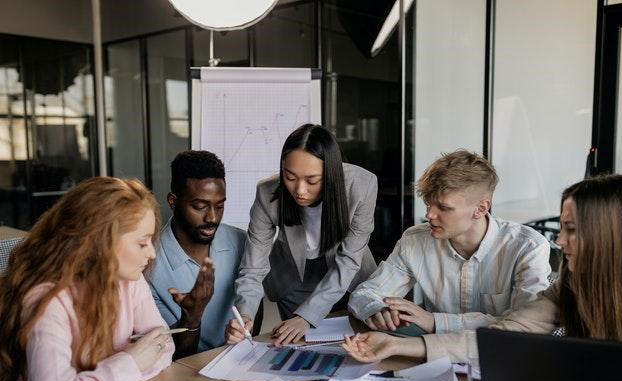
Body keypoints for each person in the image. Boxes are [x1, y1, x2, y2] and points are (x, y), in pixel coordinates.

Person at [342, 174, 622, 362]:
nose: (560, 241)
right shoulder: (569, 285)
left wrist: (433, 321)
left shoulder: (527, 246)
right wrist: (396, 346)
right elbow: (505, 336)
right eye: (562, 228)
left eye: (572, 229)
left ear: (608, 233)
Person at [0, 177, 174, 381]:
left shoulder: (129, 280)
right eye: (142, 243)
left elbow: (164, 346)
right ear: (100, 242)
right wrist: (132, 361)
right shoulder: (47, 299)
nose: (152, 253)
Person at [348, 150, 551, 334]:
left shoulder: (528, 247)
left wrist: (435, 321)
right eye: (428, 204)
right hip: (433, 359)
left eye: (443, 208)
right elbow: (365, 293)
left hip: (503, 361)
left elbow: (526, 326)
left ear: (481, 208)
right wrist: (378, 309)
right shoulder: (415, 241)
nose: (429, 215)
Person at [226, 123, 378, 346]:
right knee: (299, 347)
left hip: (347, 276)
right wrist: (245, 314)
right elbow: (253, 267)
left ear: (331, 173)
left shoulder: (361, 185)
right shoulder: (267, 192)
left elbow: (348, 261)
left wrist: (308, 315)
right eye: (290, 176)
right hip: (293, 278)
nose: (300, 190)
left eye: (312, 180)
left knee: (352, 345)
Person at [147, 150, 246, 357]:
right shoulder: (148, 263)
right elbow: (174, 355)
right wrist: (192, 316)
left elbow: (254, 303)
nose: (212, 218)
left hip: (240, 360)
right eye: (200, 206)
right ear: (173, 201)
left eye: (219, 206)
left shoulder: (241, 241)